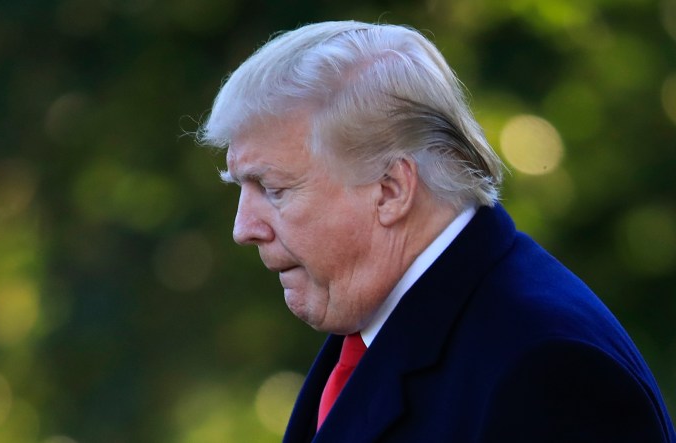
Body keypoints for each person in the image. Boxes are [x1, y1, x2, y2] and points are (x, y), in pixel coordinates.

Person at [198, 20, 676, 442]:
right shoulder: (379, 320)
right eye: (242, 187)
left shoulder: (549, 370)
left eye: (273, 188)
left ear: (390, 190)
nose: (244, 228)